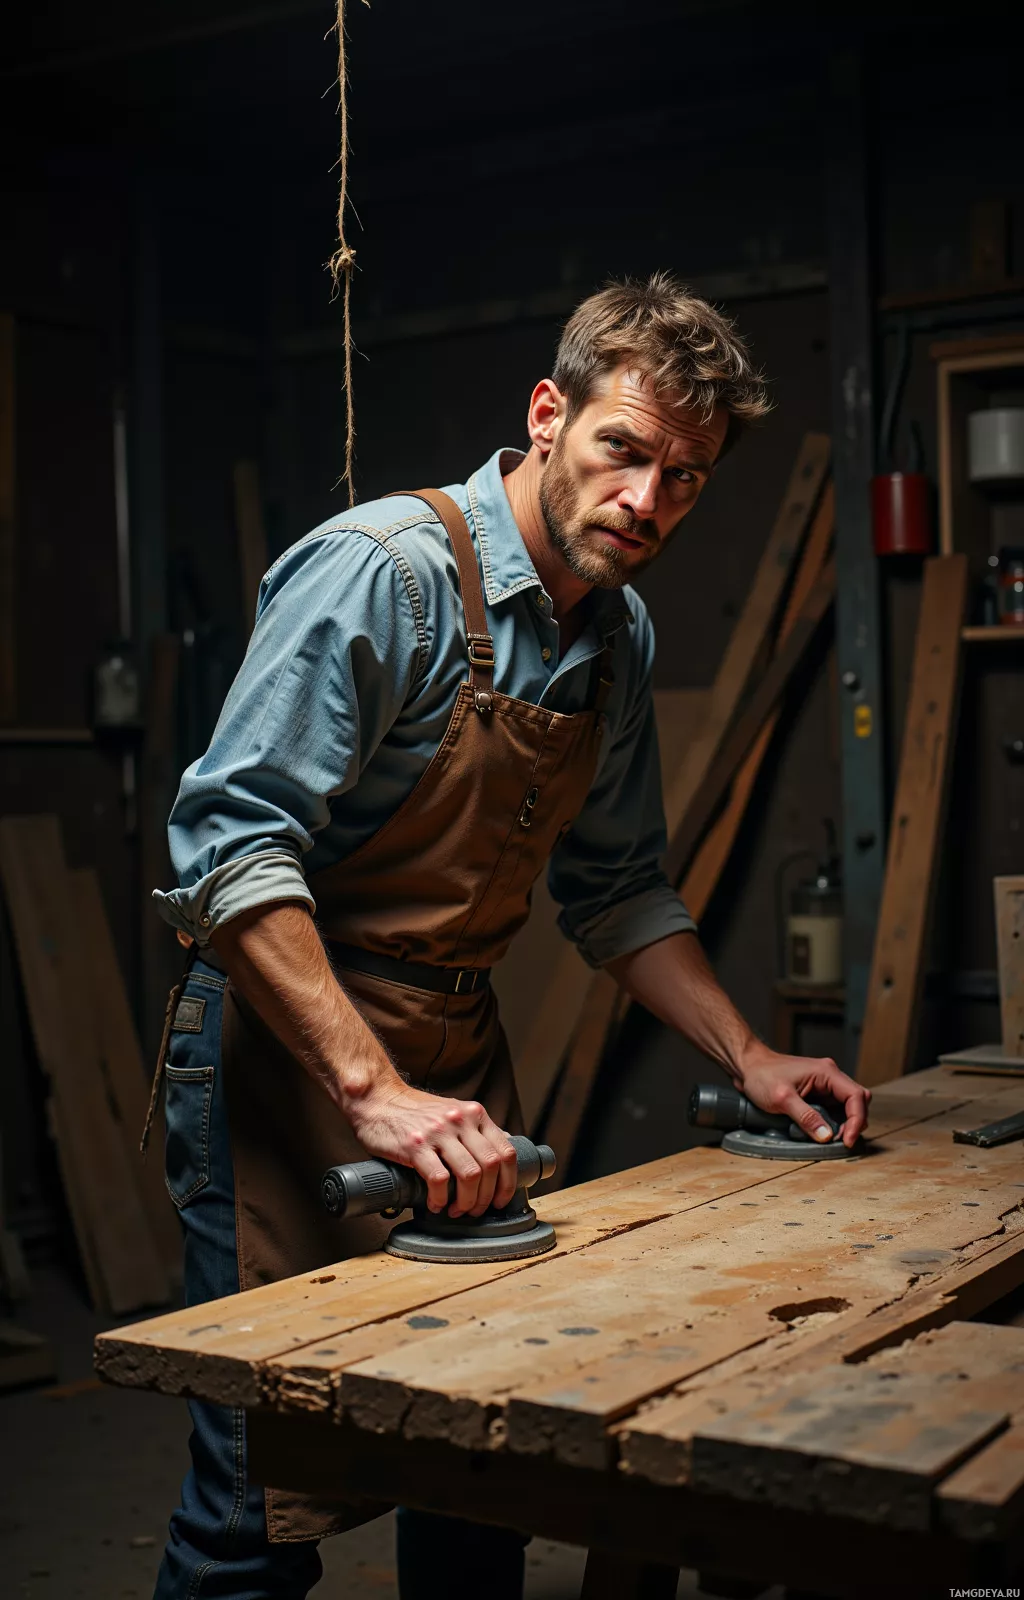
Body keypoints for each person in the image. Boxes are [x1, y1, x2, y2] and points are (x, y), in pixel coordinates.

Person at [150, 271, 870, 1599]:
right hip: (286, 1042)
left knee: (483, 1457)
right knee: (260, 1501)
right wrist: (370, 1090)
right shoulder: (384, 575)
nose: (648, 503)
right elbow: (226, 846)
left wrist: (751, 1053)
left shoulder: (616, 635)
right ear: (550, 415)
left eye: (687, 477)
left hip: (454, 1046)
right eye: (624, 451)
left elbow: (619, 893)